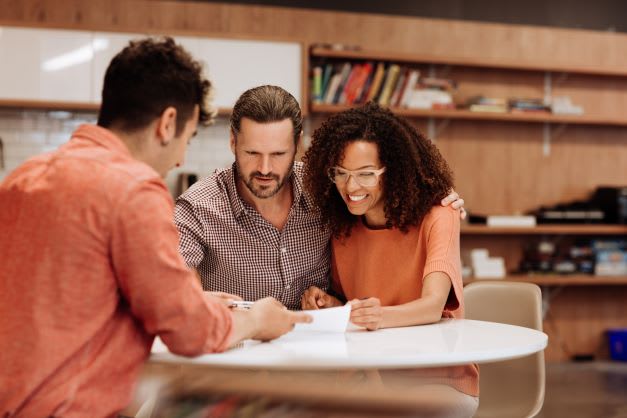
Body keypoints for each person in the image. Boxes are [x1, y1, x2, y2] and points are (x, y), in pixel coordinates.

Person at [0, 38, 310, 418]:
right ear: (167, 124)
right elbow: (189, 331)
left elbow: (66, 298)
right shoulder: (133, 189)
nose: (181, 158)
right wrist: (257, 319)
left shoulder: (22, 177)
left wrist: (184, 297)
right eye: (188, 137)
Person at [175, 85, 465, 309]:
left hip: (324, 361)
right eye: (252, 153)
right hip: (242, 360)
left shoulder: (326, 187)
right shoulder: (198, 208)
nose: (265, 168)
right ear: (233, 142)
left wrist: (437, 195)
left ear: (297, 145)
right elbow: (176, 297)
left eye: (278, 154)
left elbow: (375, 188)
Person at [300, 102, 479, 415]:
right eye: (340, 173)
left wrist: (378, 315)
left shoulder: (440, 216)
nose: (351, 187)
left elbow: (432, 305)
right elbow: (353, 304)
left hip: (436, 380)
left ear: (394, 171)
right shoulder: (343, 228)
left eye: (366, 174)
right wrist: (332, 305)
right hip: (366, 378)